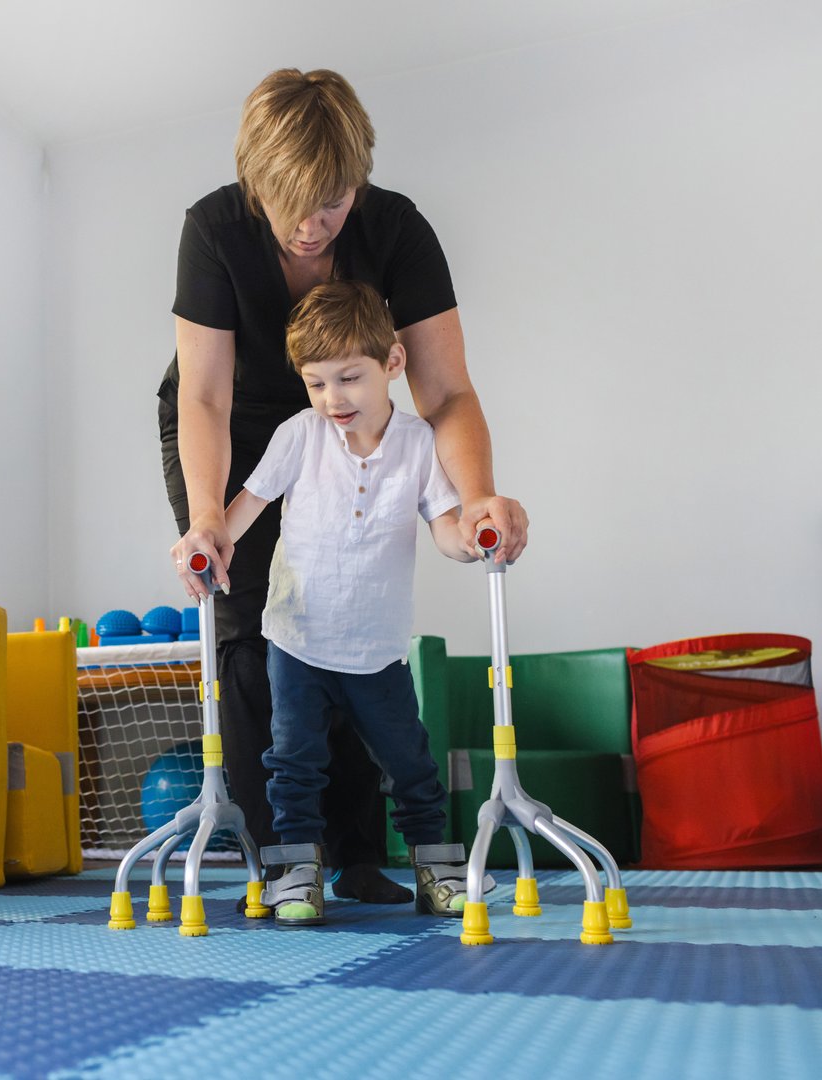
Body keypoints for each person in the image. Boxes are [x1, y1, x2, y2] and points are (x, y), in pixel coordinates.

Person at [158, 68, 528, 903]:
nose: (308, 225)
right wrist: (210, 516)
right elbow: (205, 395)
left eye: (330, 203)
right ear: (255, 182)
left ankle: (361, 854)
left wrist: (474, 501)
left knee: (354, 623)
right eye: (288, 202)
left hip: (357, 411)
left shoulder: (396, 229)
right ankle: (289, 857)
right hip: (237, 420)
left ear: (356, 180)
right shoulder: (214, 228)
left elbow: (445, 392)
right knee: (255, 628)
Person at [213, 279, 480, 926]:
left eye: (349, 378)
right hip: (296, 639)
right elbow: (245, 507)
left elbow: (443, 525)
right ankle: (296, 874)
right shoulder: (299, 436)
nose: (332, 398)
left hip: (376, 648)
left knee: (410, 764)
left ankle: (437, 872)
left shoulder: (419, 444)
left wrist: (469, 541)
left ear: (391, 364)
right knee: (292, 763)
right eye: (316, 382)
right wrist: (208, 538)